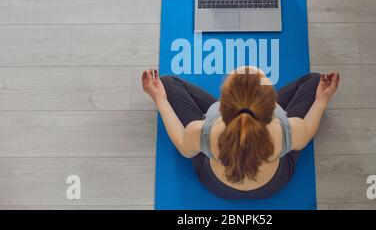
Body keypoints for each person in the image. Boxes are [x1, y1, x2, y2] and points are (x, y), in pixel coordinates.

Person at [142, 67, 339, 199]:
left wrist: (159, 99)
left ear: (222, 105)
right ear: (272, 105)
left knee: (167, 83)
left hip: (218, 186)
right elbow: (307, 133)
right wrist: (322, 99)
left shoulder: (201, 131)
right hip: (272, 185)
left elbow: (184, 147)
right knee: (314, 80)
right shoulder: (289, 129)